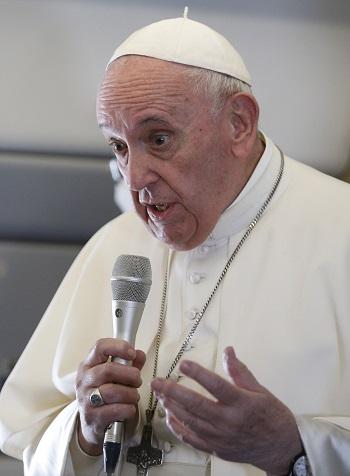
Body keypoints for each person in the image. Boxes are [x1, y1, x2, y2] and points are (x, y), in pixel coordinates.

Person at [1, 10, 350, 476]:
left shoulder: (340, 229)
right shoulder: (115, 245)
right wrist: (83, 431)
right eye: (119, 147)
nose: (135, 178)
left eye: (159, 138)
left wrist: (296, 447)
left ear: (239, 124)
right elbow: (24, 445)